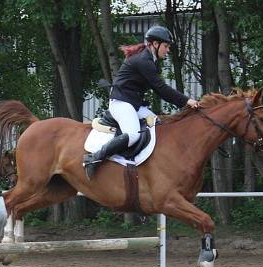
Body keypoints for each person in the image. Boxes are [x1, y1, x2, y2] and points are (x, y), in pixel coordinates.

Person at [83, 25, 200, 178]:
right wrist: (187, 101)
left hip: (134, 104)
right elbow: (161, 89)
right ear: (155, 44)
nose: (168, 50)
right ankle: (94, 158)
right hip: (121, 103)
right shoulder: (144, 61)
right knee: (132, 135)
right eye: (166, 46)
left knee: (158, 125)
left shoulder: (151, 60)